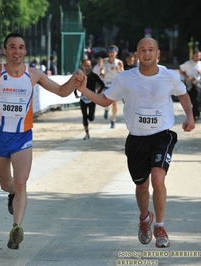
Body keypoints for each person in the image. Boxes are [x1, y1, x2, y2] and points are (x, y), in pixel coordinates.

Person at [0, 32, 84, 250]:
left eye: (21, 47)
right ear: (5, 50)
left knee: (21, 182)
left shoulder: (33, 74)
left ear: (25, 51)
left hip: (22, 136)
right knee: (7, 185)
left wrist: (74, 80)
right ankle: (11, 194)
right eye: (12, 47)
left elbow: (61, 92)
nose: (17, 51)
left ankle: (16, 228)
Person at [76, 37, 195, 248]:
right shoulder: (125, 78)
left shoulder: (169, 76)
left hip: (162, 136)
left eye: (151, 50)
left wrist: (189, 116)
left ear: (157, 53)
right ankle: (144, 219)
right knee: (142, 187)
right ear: (136, 54)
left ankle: (159, 225)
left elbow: (183, 94)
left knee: (158, 180)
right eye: (142, 50)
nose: (147, 54)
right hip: (137, 139)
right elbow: (105, 100)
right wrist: (84, 90)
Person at [74, 59, 105, 139]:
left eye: (88, 65)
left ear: (90, 66)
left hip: (92, 99)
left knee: (91, 118)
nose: (87, 67)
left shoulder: (94, 76)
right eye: (85, 65)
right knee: (84, 116)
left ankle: (90, 117)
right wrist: (76, 93)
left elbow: (102, 84)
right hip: (83, 99)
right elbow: (75, 86)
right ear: (82, 66)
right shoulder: (80, 76)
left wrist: (98, 93)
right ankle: (87, 134)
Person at [100, 45, 124, 128]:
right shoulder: (104, 61)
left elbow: (123, 73)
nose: (111, 54)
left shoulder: (119, 62)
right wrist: (102, 73)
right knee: (106, 101)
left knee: (114, 103)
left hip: (115, 84)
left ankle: (113, 120)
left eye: (113, 52)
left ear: (116, 53)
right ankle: (106, 109)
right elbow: (102, 69)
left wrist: (119, 70)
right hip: (106, 83)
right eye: (110, 52)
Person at [178, 50, 201, 122]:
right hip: (189, 84)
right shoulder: (188, 63)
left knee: (197, 100)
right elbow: (180, 70)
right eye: (196, 56)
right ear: (193, 56)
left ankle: (196, 115)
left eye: (199, 56)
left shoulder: (200, 64)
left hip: (197, 84)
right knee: (189, 100)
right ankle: (190, 114)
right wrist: (186, 77)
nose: (197, 57)